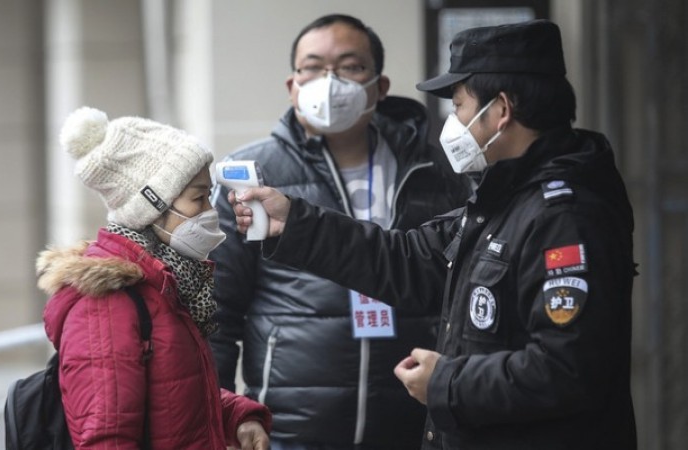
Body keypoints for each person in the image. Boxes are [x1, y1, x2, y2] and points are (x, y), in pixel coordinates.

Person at [226, 19, 637, 450]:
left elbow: (566, 369)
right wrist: (293, 223)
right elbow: (409, 260)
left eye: (459, 105)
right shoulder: (503, 201)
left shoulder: (563, 216)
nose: (453, 122)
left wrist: (447, 382)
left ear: (500, 111)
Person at [208, 13, 470, 450]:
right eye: (312, 68)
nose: (329, 82)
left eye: (350, 67)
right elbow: (217, 312)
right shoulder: (252, 175)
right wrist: (219, 411)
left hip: (416, 420)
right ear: (292, 85)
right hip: (289, 426)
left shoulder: (437, 171)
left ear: (379, 87)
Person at [37, 106, 272, 449]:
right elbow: (107, 438)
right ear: (153, 206)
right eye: (198, 198)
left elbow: (174, 397)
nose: (210, 211)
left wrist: (237, 416)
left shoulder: (163, 285)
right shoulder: (107, 304)